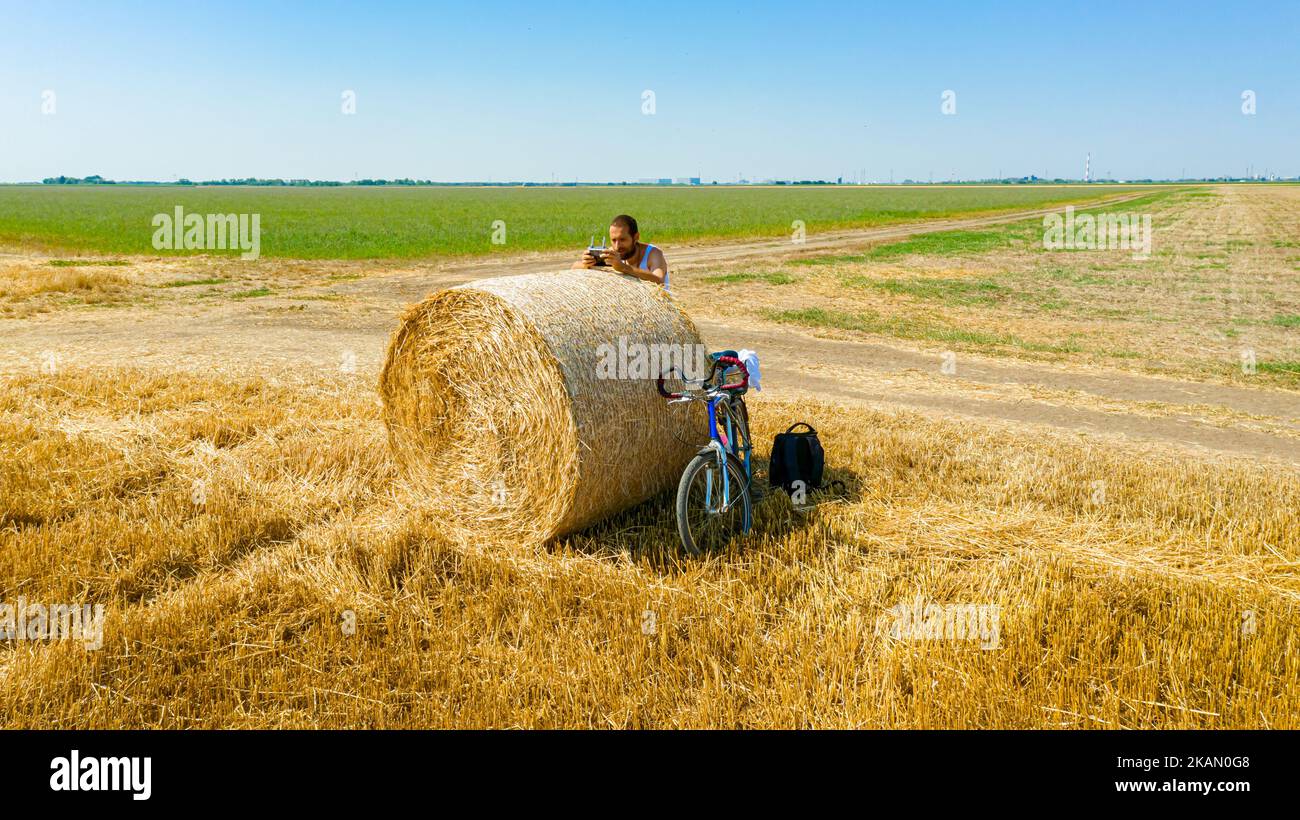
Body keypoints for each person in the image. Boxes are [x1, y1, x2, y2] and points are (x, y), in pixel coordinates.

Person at [574, 214, 670, 289]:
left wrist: (623, 267)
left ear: (636, 237)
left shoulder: (653, 253)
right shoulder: (612, 253)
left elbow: (659, 280)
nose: (617, 246)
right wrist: (586, 264)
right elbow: (573, 267)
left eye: (622, 240)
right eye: (613, 240)